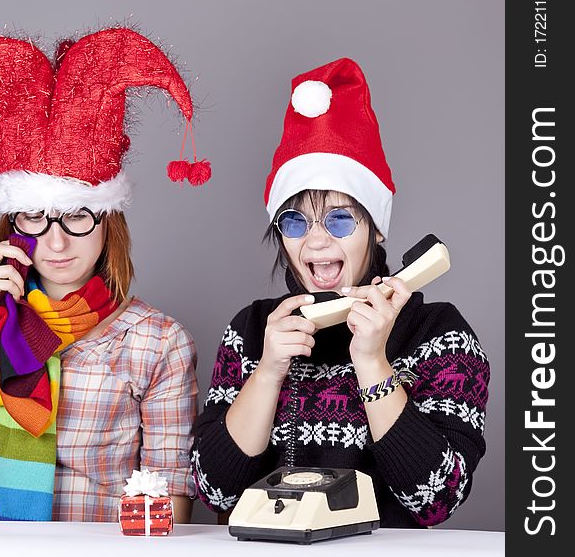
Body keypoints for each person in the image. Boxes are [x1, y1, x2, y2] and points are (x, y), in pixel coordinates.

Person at [0, 27, 210, 522]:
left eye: (78, 215)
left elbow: (169, 502)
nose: (56, 241)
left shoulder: (157, 341)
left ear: (110, 223)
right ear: (12, 223)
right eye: (35, 218)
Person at [190, 58, 490, 528]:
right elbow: (213, 490)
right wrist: (268, 371)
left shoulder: (440, 332)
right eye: (295, 222)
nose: (315, 241)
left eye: (339, 219)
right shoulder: (252, 330)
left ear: (377, 230)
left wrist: (372, 362)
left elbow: (437, 498)